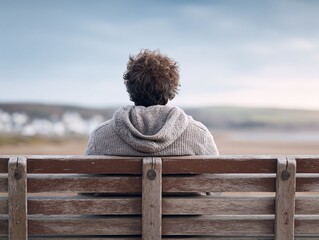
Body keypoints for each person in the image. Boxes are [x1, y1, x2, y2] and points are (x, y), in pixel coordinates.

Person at [85, 49, 218, 156]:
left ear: (130, 89)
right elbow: (215, 186)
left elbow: (86, 187)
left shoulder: (100, 135)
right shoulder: (200, 134)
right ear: (171, 90)